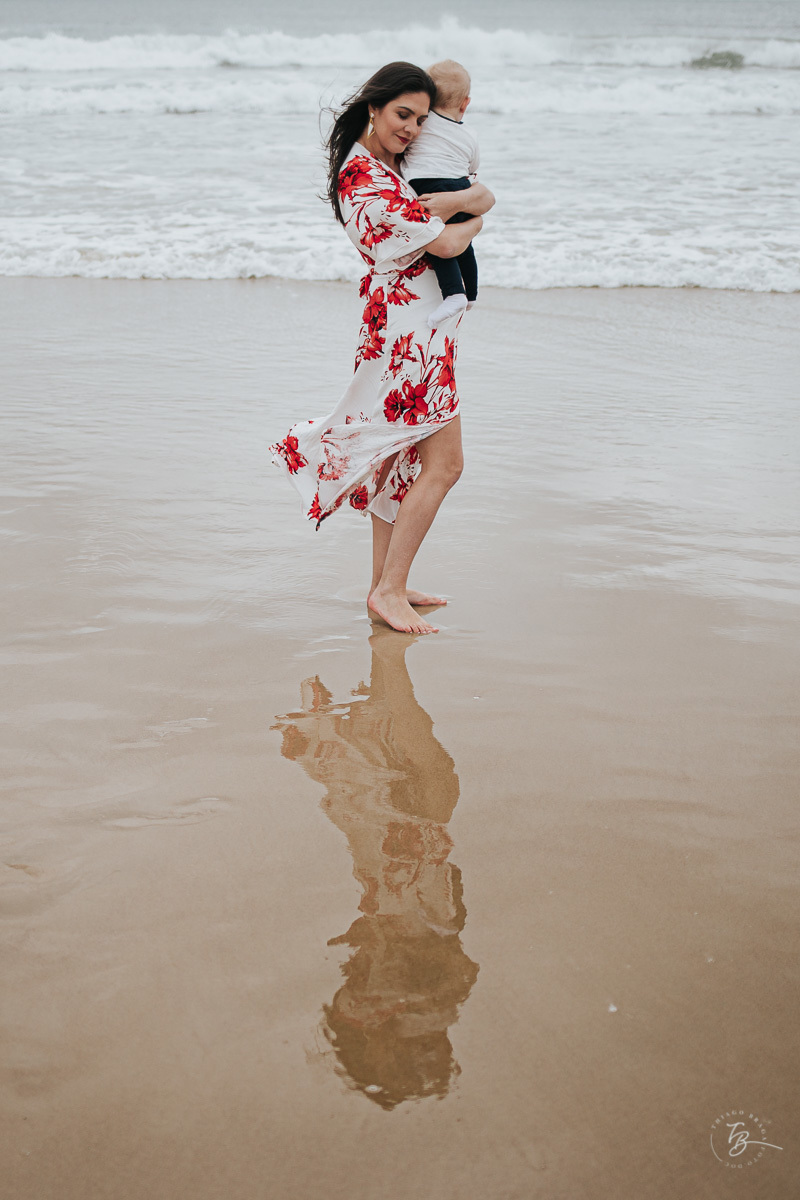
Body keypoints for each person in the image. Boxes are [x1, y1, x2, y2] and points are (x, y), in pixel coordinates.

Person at [269, 61, 495, 636]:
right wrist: (474, 213)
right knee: (446, 465)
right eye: (402, 114)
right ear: (373, 107)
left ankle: (385, 584)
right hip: (406, 341)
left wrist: (462, 203)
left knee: (400, 463)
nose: (412, 129)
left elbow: (450, 210)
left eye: (421, 118)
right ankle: (388, 589)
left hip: (416, 331)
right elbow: (446, 242)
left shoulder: (395, 165)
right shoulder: (362, 180)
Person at [401, 59, 481, 330]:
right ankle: (471, 293)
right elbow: (473, 165)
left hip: (428, 185)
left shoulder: (423, 123)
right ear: (465, 104)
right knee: (465, 241)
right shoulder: (468, 134)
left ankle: (453, 293)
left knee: (437, 238)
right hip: (460, 184)